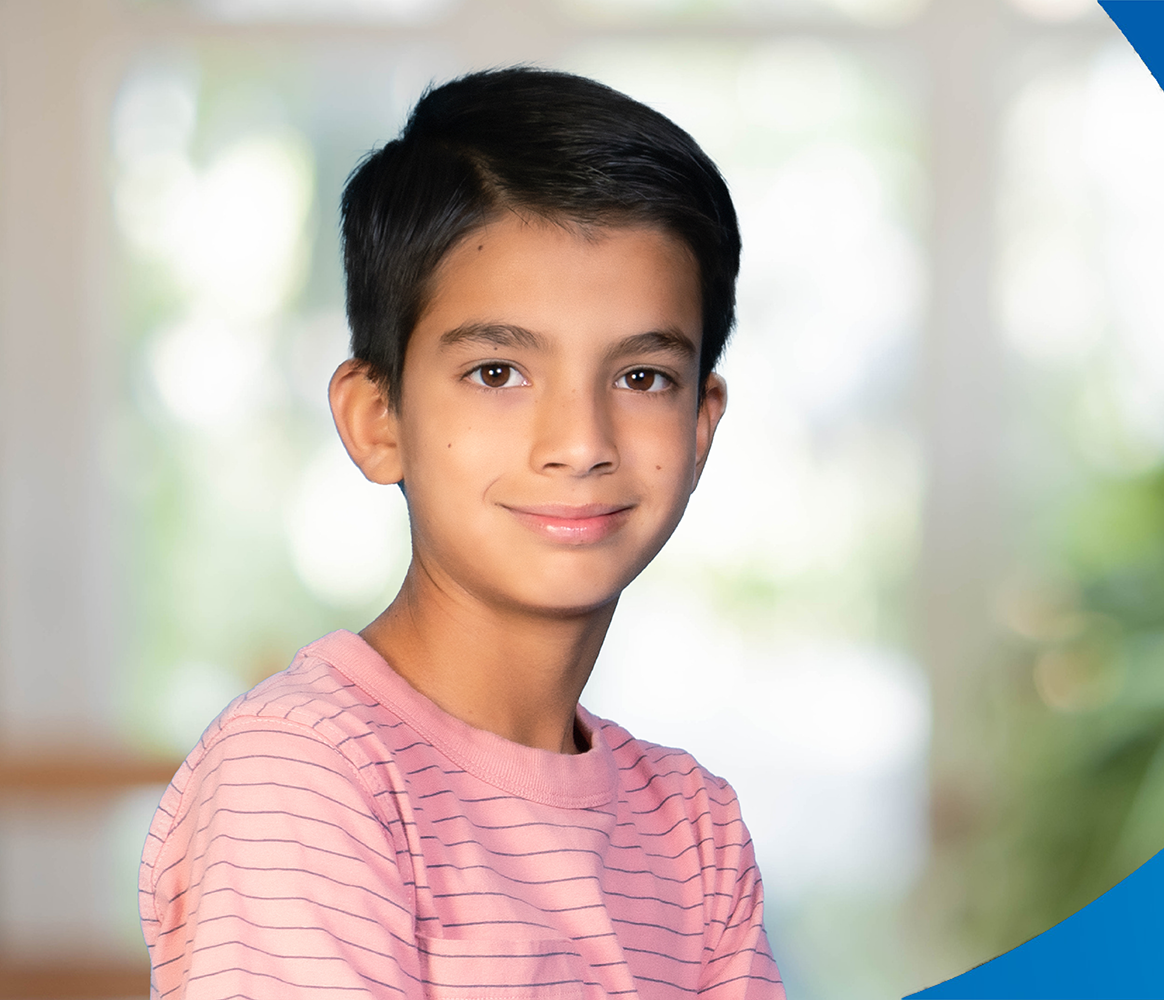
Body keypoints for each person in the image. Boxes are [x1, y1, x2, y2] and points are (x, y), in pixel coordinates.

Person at [137, 67, 784, 999]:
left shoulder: (694, 828)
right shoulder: (302, 774)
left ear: (699, 426)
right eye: (496, 373)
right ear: (378, 420)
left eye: (641, 378)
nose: (580, 443)